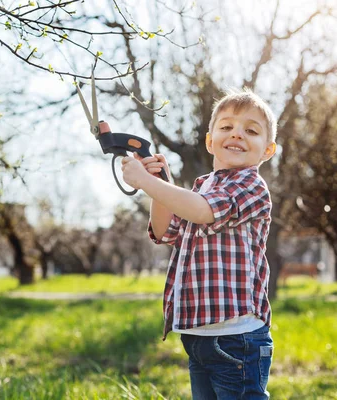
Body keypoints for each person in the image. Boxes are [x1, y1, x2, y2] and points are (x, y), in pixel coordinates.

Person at [121, 88, 277, 399]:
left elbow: (205, 212)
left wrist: (145, 182)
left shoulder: (251, 185)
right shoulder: (202, 187)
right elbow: (165, 231)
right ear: (210, 140)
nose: (237, 135)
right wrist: (160, 185)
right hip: (198, 337)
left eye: (251, 130)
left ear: (267, 150)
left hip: (237, 337)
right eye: (227, 127)